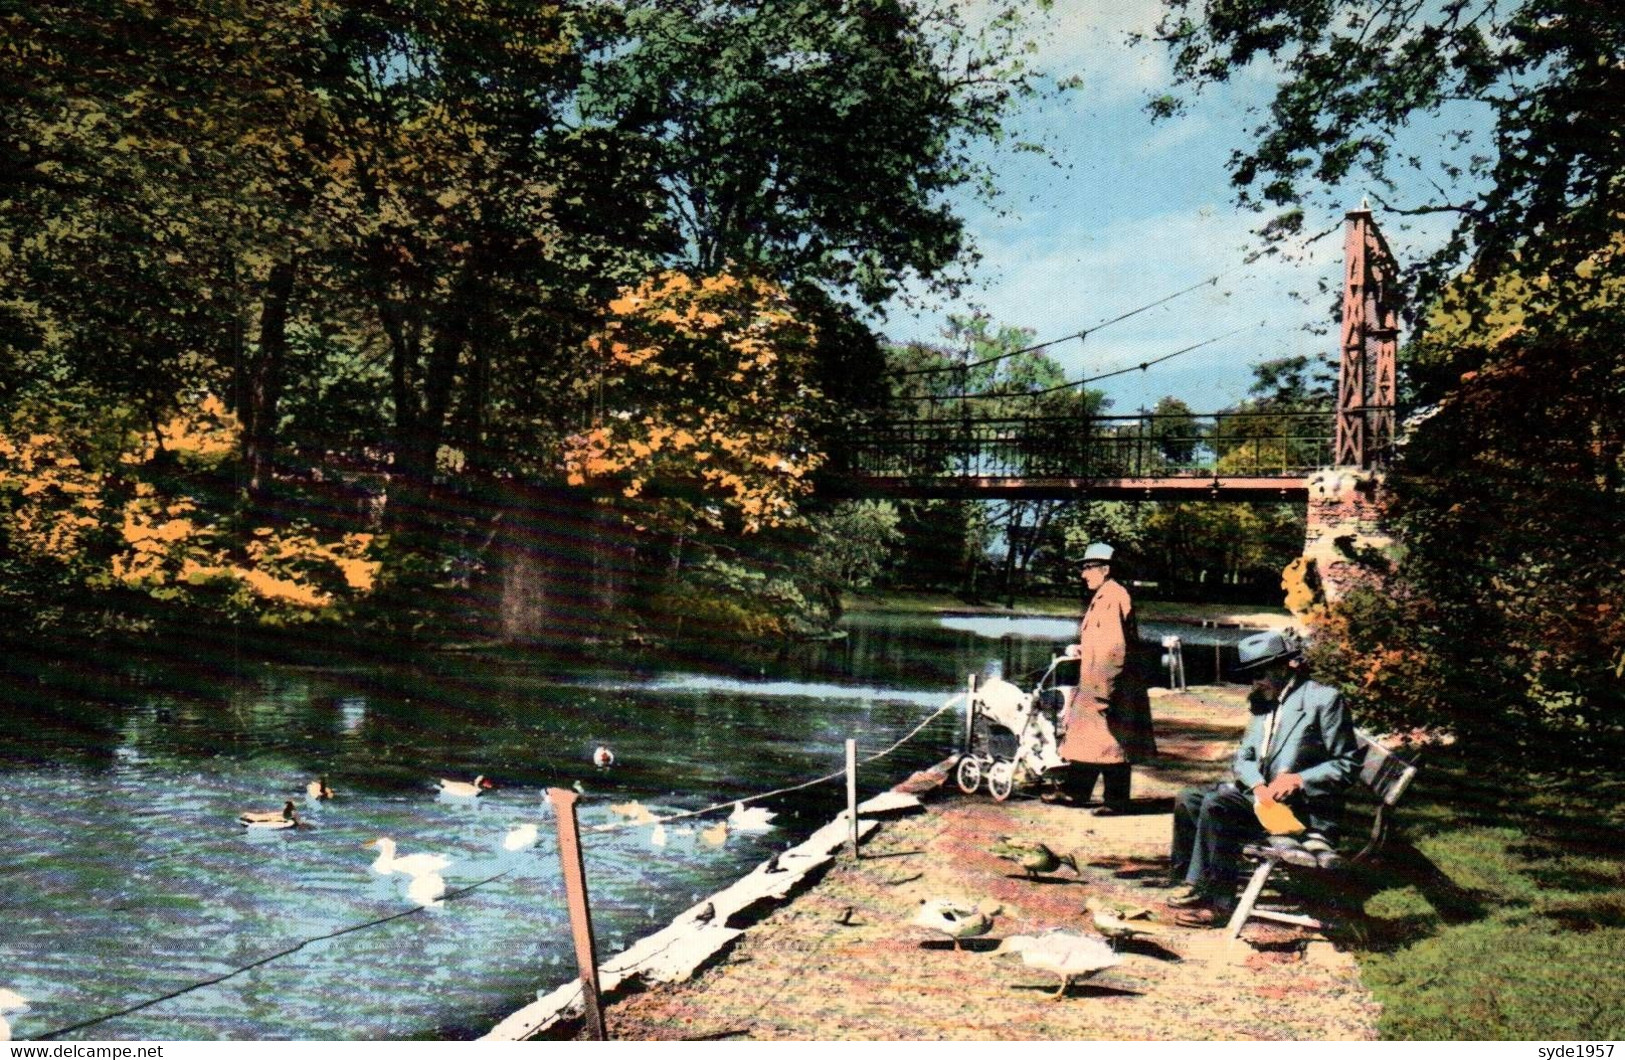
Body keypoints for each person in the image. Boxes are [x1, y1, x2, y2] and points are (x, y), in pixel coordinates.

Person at [1165, 628, 1361, 927]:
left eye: (1260, 673)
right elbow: (1242, 758)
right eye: (1250, 674)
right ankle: (1195, 884)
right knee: (1189, 798)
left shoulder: (1323, 700)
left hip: (1303, 811)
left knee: (1219, 804)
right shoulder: (1262, 701)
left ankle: (1219, 905)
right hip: (1266, 802)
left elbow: (1347, 764)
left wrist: (1299, 780)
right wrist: (1257, 784)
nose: (1255, 680)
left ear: (1284, 667)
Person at [1056, 542, 1157, 816]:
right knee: (1091, 739)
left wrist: (1105, 691)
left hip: (1109, 684)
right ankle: (1076, 791)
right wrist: (1084, 649)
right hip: (1101, 680)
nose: (1083, 574)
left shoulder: (1112, 596)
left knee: (1112, 743)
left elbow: (1115, 648)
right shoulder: (1106, 595)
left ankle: (1115, 801)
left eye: (1088, 568)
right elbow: (1105, 641)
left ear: (1105, 569)